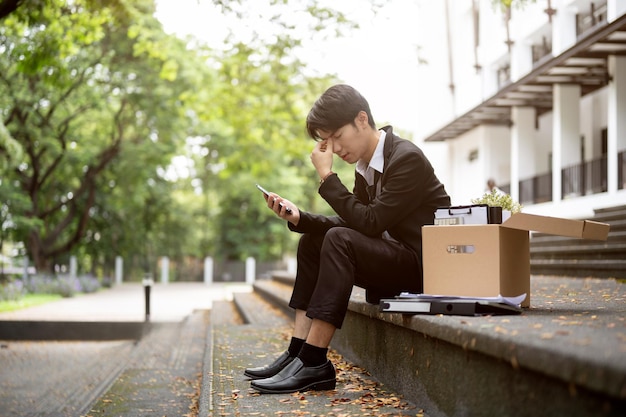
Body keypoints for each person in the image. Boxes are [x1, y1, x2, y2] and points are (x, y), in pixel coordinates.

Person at [245, 84, 450, 394]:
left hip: (424, 268)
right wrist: (300, 218)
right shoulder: (365, 168)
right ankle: (298, 353)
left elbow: (370, 222)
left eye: (337, 137)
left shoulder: (406, 158)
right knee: (312, 240)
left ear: (362, 120)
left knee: (340, 239)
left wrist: (328, 179)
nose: (336, 149)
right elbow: (353, 220)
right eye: (328, 142)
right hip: (394, 260)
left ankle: (315, 361)